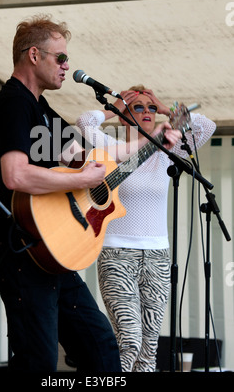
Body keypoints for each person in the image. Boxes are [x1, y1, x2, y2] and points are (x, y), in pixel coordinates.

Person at [0, 14, 124, 373]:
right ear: (34, 56)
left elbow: (79, 156)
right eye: (60, 58)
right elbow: (15, 175)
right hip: (18, 248)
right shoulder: (14, 103)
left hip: (51, 247)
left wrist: (140, 146)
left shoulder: (41, 109)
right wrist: (79, 181)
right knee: (39, 361)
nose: (67, 66)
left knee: (102, 349)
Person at [76, 85, 216, 372]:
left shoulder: (167, 149)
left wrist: (165, 107)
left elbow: (206, 125)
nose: (147, 112)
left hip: (158, 257)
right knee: (129, 340)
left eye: (150, 108)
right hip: (117, 253)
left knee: (149, 347)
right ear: (124, 115)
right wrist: (113, 105)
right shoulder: (109, 146)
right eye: (138, 107)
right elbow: (84, 122)